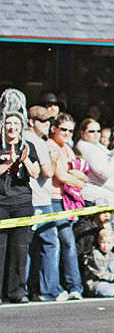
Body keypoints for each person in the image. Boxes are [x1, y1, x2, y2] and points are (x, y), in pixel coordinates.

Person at [0, 89, 41, 304]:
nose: (12, 128)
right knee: (1, 250)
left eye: (16, 125)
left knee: (19, 251)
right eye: (8, 124)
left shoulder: (28, 146)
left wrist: (24, 160)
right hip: (2, 204)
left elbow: (35, 173)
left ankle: (16, 292)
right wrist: (7, 163)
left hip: (22, 203)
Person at [48, 113, 86, 301]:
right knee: (55, 245)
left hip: (67, 200)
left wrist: (75, 177)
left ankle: (74, 286)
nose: (67, 133)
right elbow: (61, 176)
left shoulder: (68, 149)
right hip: (53, 199)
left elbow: (83, 176)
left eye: (71, 130)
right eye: (63, 129)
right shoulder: (50, 146)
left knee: (68, 244)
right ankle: (56, 288)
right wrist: (75, 178)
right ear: (54, 128)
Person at [25, 106, 60, 301]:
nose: (48, 125)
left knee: (29, 246)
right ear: (31, 122)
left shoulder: (25, 139)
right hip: (40, 200)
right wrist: (54, 159)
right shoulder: (37, 142)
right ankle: (49, 290)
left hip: (31, 199)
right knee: (50, 244)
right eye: (43, 121)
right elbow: (47, 172)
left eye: (49, 121)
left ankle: (27, 289)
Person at [76, 117, 114, 205]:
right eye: (91, 131)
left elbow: (109, 155)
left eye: (98, 131)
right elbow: (105, 173)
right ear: (82, 133)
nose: (96, 134)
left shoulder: (94, 144)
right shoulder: (85, 147)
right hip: (97, 197)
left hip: (106, 195)